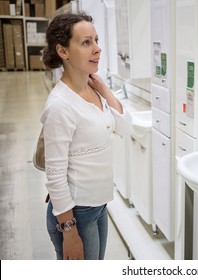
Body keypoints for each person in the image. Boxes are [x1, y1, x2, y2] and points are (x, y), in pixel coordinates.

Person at [41, 12, 132, 260]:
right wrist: (69, 232)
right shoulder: (60, 105)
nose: (98, 49)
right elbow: (55, 174)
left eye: (96, 40)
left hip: (98, 206)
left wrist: (103, 88)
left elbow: (125, 128)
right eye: (86, 42)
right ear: (63, 51)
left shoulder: (93, 90)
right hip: (76, 214)